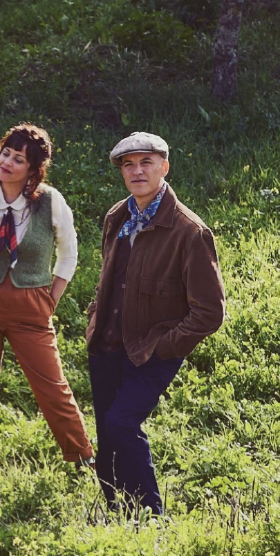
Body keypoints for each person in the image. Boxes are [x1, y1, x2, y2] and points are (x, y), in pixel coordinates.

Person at [87, 132, 225, 515]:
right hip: (107, 344)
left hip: (152, 352)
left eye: (146, 162)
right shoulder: (117, 216)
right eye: (128, 165)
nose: (137, 171)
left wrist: (162, 346)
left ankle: (151, 516)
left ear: (164, 167)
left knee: (121, 423)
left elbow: (210, 313)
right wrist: (93, 320)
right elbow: (107, 279)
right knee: (107, 433)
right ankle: (116, 511)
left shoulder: (189, 231)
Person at [0, 123, 94, 476]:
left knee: (52, 385)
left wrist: (51, 299)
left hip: (31, 303)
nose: (8, 162)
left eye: (19, 159)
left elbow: (69, 254)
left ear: (33, 169)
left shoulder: (50, 202)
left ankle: (82, 457)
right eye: (6, 153)